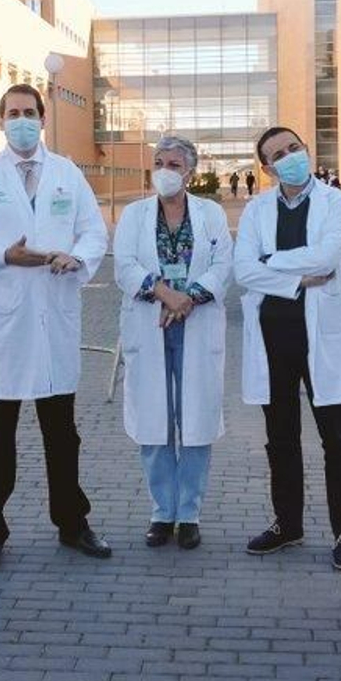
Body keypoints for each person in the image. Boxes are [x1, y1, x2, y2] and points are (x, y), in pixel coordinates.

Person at [0, 83, 112, 572]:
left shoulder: (66, 173)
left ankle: (72, 523)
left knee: (62, 433)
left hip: (54, 315)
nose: (21, 120)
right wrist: (4, 255)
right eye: (13, 113)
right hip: (6, 321)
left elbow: (93, 231)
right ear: (0, 121)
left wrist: (77, 258)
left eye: (29, 112)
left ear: (43, 119)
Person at [235, 125, 341, 571]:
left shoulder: (336, 202)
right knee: (280, 437)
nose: (290, 156)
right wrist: (295, 279)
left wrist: (270, 263)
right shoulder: (256, 209)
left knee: (338, 437)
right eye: (278, 154)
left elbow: (327, 258)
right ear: (267, 168)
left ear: (306, 149)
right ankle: (287, 524)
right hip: (274, 334)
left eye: (294, 147)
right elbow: (242, 269)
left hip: (323, 334)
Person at [114, 136, 233, 549]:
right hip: (150, 322)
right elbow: (124, 265)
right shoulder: (134, 214)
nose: (165, 170)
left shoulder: (211, 214)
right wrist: (165, 294)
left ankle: (189, 513)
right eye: (159, 162)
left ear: (190, 173)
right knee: (154, 423)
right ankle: (162, 513)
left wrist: (188, 299)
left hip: (195, 323)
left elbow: (223, 265)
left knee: (195, 422)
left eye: (174, 164)